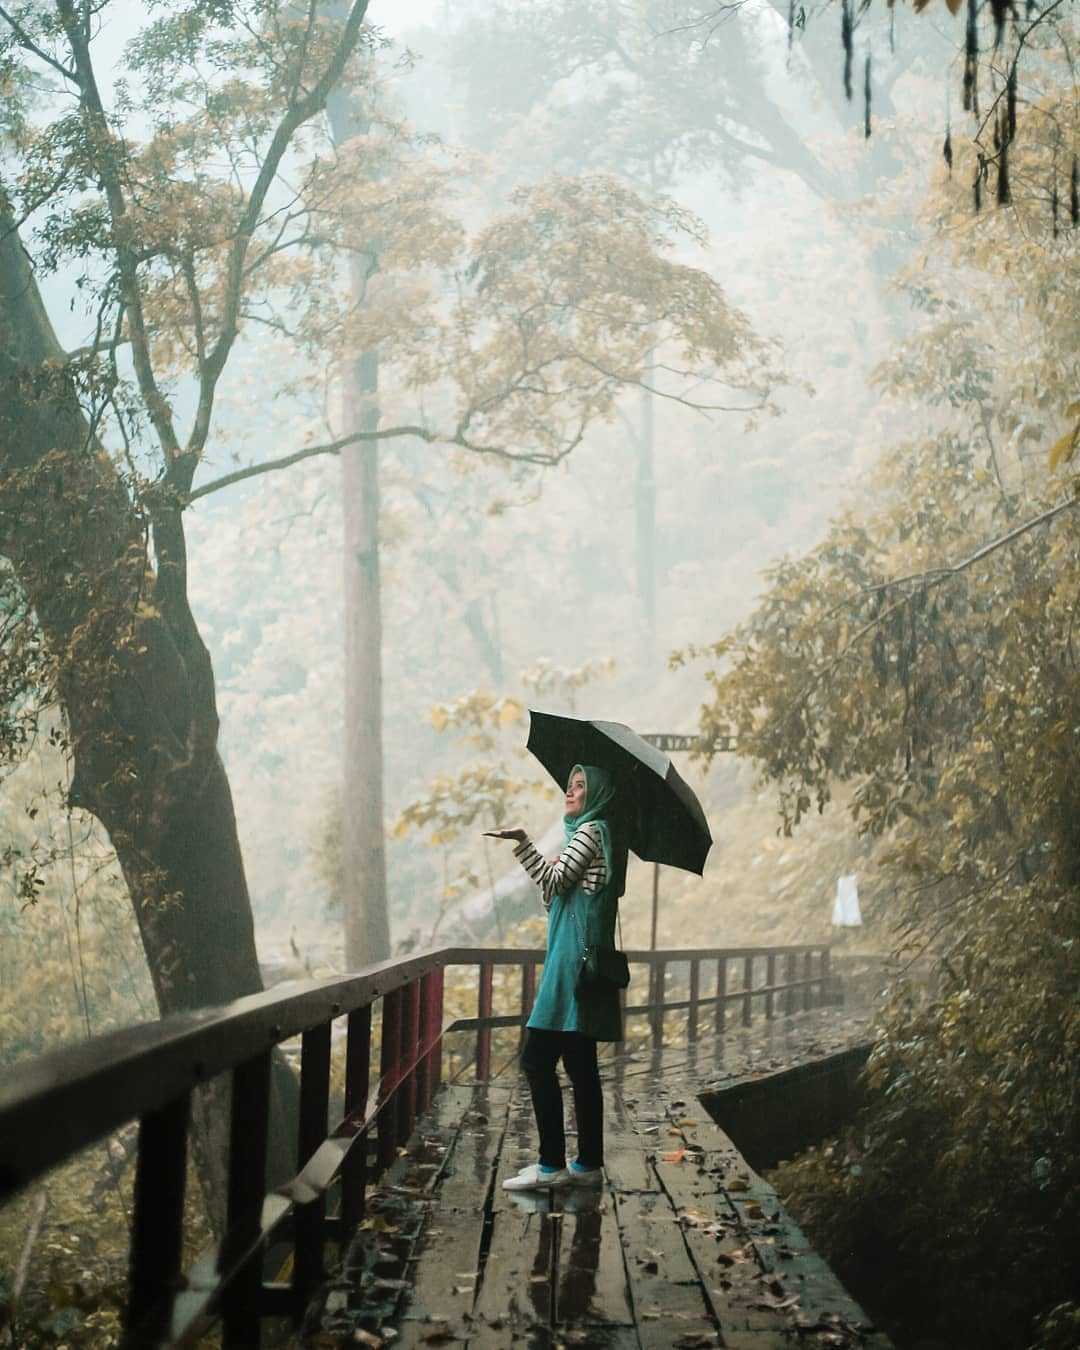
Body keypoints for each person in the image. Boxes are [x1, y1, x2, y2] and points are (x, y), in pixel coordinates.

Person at [485, 764, 626, 1191]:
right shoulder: (598, 835)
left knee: (536, 1060)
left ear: (598, 793)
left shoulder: (589, 832)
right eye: (569, 785)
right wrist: (549, 875)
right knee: (580, 1064)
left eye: (581, 786)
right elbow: (560, 895)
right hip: (577, 963)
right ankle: (587, 1163)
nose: (571, 792)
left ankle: (550, 1166)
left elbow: (554, 879)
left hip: (569, 968)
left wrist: (524, 842)